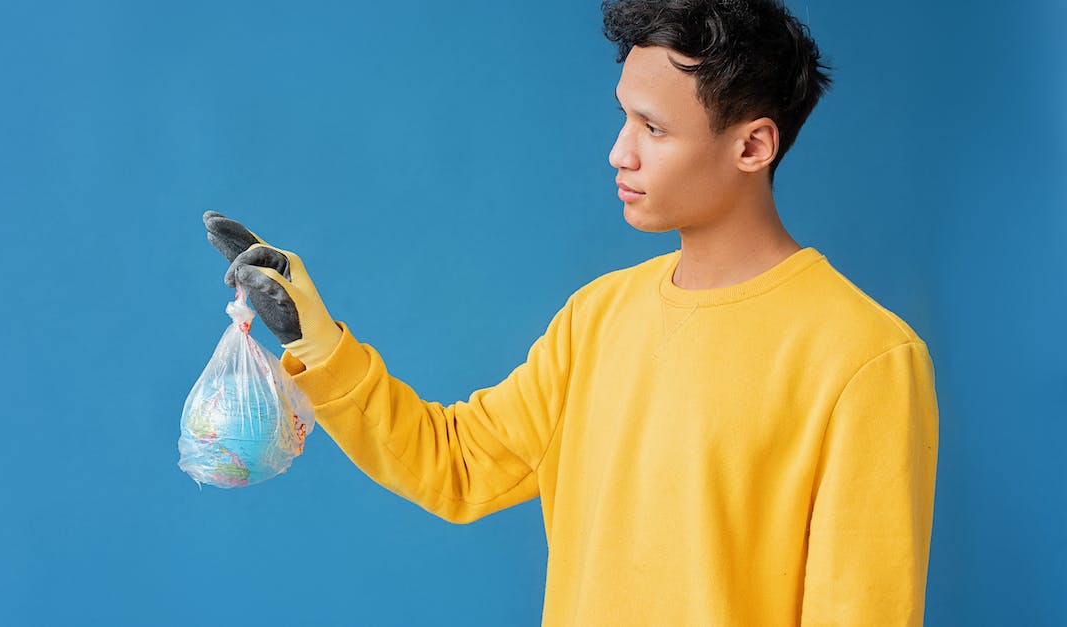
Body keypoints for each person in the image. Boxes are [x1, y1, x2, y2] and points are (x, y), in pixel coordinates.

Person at [203, 0, 939, 624]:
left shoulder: (864, 356)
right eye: (624, 119)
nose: (619, 152)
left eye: (653, 128)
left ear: (752, 145)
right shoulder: (597, 318)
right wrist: (316, 339)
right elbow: (456, 464)